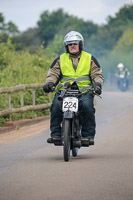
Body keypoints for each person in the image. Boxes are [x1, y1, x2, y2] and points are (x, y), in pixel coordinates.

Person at [43, 31, 104, 144]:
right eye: (70, 43)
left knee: (87, 107)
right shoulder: (60, 59)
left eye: (75, 43)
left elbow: (97, 74)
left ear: (80, 44)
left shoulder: (90, 58)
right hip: (64, 92)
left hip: (84, 92)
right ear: (66, 46)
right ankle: (56, 134)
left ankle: (87, 136)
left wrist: (97, 84)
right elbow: (53, 73)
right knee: (55, 107)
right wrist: (49, 83)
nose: (73, 45)